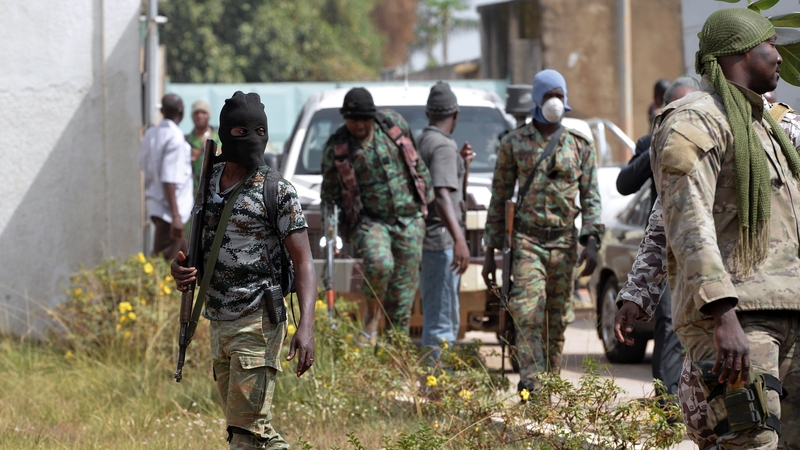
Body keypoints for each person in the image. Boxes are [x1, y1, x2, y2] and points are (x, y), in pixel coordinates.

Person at [616, 9, 800, 449]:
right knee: (749, 441)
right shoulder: (694, 121)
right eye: (770, 45)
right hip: (740, 314)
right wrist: (721, 312)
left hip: (788, 307)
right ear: (741, 52)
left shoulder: (773, 127)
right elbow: (682, 219)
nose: (780, 56)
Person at [171, 91, 316, 450]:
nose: (252, 139)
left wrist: (306, 326)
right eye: (241, 132)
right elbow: (197, 243)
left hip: (258, 321)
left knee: (245, 435)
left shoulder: (277, 190)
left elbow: (304, 261)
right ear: (225, 134)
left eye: (259, 132)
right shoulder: (209, 178)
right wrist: (181, 269)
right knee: (251, 431)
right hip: (218, 320)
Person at [482, 69, 603, 394]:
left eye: (559, 95)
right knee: (526, 311)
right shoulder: (513, 143)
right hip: (527, 242)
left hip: (564, 243)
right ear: (537, 98)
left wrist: (592, 242)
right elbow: (499, 198)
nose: (554, 101)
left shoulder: (580, 145)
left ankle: (549, 384)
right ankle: (532, 384)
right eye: (549, 95)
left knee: (557, 318)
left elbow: (591, 197)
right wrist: (491, 252)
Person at [320, 87, 433, 344]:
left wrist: (427, 207)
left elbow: (415, 162)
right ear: (345, 118)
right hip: (370, 222)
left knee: (402, 298)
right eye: (353, 120)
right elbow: (329, 197)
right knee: (380, 264)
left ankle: (393, 355)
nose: (360, 125)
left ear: (373, 116)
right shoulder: (337, 147)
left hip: (410, 220)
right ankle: (372, 312)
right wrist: (332, 231)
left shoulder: (393, 125)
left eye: (365, 119)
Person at [615, 76, 699, 402]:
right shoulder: (651, 142)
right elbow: (625, 184)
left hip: (704, 253)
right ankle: (668, 402)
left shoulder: (714, 140)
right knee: (668, 323)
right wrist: (658, 142)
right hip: (665, 250)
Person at [416, 81, 473, 359]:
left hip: (429, 240)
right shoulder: (443, 146)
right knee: (443, 321)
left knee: (439, 314)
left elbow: (448, 190)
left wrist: (462, 165)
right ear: (456, 115)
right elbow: (441, 195)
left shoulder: (424, 140)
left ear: (428, 113)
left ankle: (434, 378)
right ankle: (437, 381)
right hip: (441, 243)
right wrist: (460, 240)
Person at [139, 93, 193, 260]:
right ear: (181, 111)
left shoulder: (151, 134)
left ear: (162, 111)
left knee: (186, 262)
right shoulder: (175, 137)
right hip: (170, 213)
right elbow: (169, 179)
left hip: (158, 207)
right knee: (166, 264)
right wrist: (176, 217)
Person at [185, 99, 222, 192]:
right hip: (193, 193)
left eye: (203, 112)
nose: (199, 116)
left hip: (216, 192)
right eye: (196, 113)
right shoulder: (186, 141)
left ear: (209, 115)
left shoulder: (220, 137)